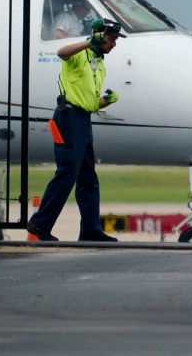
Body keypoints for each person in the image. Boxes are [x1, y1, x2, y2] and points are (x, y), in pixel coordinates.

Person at [27, 18, 124, 242]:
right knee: (68, 171)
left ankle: (90, 229)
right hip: (68, 117)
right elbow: (62, 52)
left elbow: (90, 101)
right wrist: (89, 42)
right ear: (99, 36)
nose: (114, 45)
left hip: (83, 119)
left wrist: (106, 101)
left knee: (88, 177)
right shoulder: (80, 54)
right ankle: (39, 224)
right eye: (111, 40)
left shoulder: (99, 65)